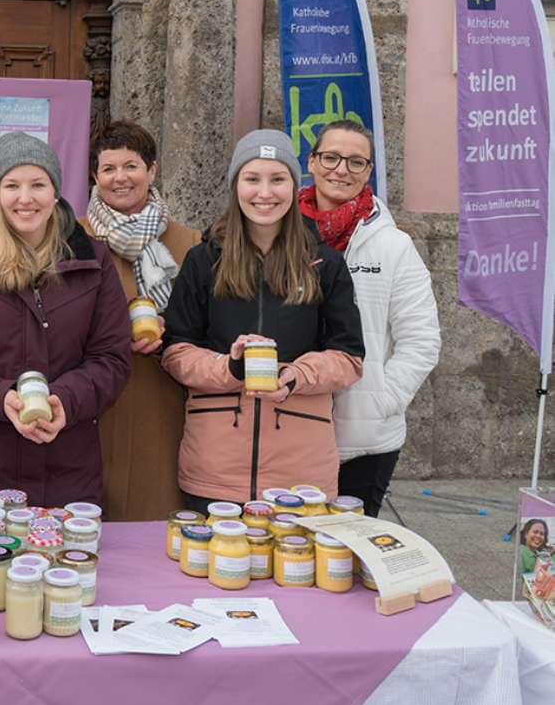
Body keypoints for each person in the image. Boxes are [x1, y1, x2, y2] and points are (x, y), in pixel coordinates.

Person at [0, 132, 132, 505]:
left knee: (63, 563)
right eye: (12, 185)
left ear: (56, 191)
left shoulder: (92, 260)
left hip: (67, 470)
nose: (25, 198)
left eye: (38, 184)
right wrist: (0, 398)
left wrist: (65, 400)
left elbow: (111, 358)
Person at [161, 129, 364, 509]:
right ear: (236, 184)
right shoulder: (204, 260)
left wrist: (294, 376)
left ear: (294, 184)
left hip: (301, 473)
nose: (265, 193)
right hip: (216, 470)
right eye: (252, 179)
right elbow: (176, 352)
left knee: (297, 570)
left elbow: (349, 358)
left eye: (278, 179)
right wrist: (230, 368)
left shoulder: (325, 263)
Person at [300, 120, 440, 517]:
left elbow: (421, 339)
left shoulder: (394, 246)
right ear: (311, 161)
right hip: (289, 424)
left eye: (356, 162)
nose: (341, 170)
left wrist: (385, 398)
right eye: (331, 157)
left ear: (368, 172)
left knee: (350, 554)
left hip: (366, 436)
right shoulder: (279, 235)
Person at [80, 120, 201, 520]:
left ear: (152, 171)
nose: (120, 178)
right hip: (91, 402)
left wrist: (171, 335)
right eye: (109, 169)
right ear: (95, 177)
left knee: (157, 521)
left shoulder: (189, 243)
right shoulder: (73, 237)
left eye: (131, 166)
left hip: (162, 401)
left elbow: (206, 322)